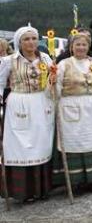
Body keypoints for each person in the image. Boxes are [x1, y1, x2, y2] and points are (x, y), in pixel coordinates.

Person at [0, 26, 55, 202]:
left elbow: (52, 81)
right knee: (21, 147)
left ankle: (42, 189)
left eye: (34, 38)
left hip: (42, 102)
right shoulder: (9, 61)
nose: (31, 42)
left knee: (42, 143)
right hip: (19, 105)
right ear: (19, 42)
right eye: (26, 39)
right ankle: (24, 191)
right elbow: (0, 84)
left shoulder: (45, 58)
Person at [53, 33, 92, 195]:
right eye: (77, 44)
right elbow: (56, 88)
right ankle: (75, 182)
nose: (81, 47)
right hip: (70, 108)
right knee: (74, 143)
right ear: (71, 47)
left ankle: (90, 180)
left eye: (84, 45)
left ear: (88, 47)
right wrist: (55, 106)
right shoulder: (64, 64)